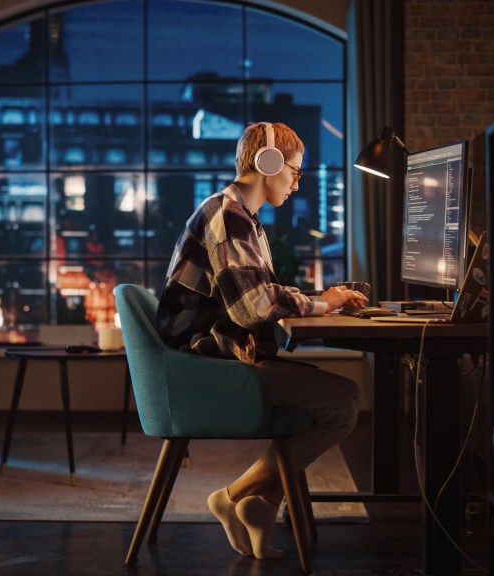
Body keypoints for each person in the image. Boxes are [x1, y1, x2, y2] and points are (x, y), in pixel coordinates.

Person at [156, 121, 368, 559]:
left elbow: (260, 297)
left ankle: (258, 503)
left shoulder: (241, 218)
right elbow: (253, 308)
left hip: (217, 358)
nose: (296, 182)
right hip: (205, 369)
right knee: (341, 403)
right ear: (268, 163)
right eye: (294, 170)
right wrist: (324, 303)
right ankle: (234, 496)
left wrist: (323, 300)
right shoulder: (228, 216)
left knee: (341, 396)